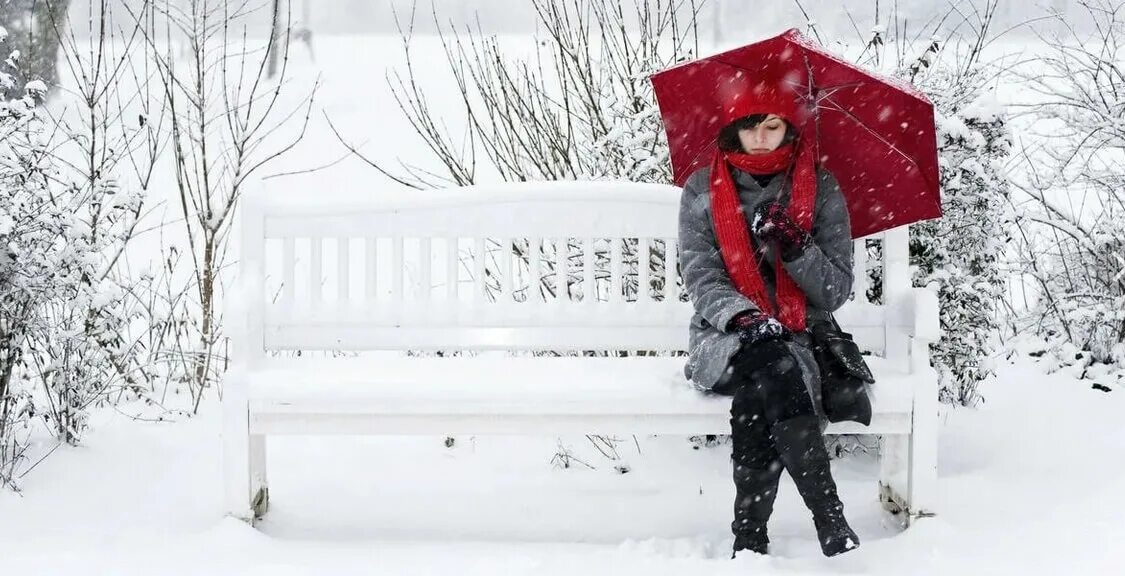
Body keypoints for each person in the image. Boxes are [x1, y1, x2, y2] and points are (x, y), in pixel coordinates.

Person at [678, 104, 859, 558]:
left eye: (772, 127)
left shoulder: (820, 189)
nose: (760, 138)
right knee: (772, 363)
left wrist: (797, 246)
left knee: (764, 385)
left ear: (789, 129)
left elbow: (835, 291)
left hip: (801, 334)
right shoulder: (702, 188)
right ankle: (829, 517)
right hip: (725, 335)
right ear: (731, 129)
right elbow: (701, 276)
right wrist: (745, 317)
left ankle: (749, 539)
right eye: (748, 127)